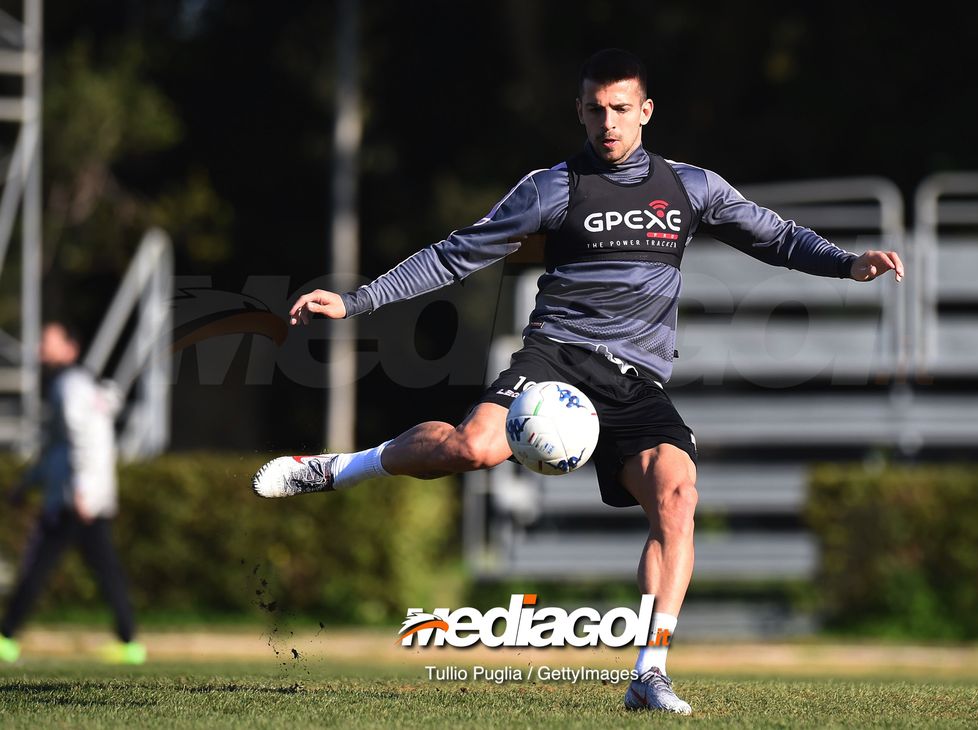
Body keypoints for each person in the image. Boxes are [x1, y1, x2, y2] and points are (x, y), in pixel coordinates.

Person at [252, 49, 903, 713]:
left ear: (646, 111)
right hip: (555, 360)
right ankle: (340, 468)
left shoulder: (690, 187)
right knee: (469, 450)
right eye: (595, 109)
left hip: (636, 380)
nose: (608, 122)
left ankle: (650, 673)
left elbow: (776, 236)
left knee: (677, 496)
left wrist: (849, 265)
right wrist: (356, 301)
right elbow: (455, 255)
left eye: (621, 108)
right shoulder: (550, 187)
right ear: (580, 112)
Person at [0, 321, 145, 665]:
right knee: (104, 568)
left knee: (38, 566)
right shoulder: (77, 385)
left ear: (70, 349)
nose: (40, 350)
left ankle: (6, 637)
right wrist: (28, 483)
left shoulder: (69, 386)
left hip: (75, 500)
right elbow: (57, 447)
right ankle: (130, 642)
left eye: (47, 343)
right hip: (85, 497)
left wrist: (81, 490)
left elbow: (80, 439)